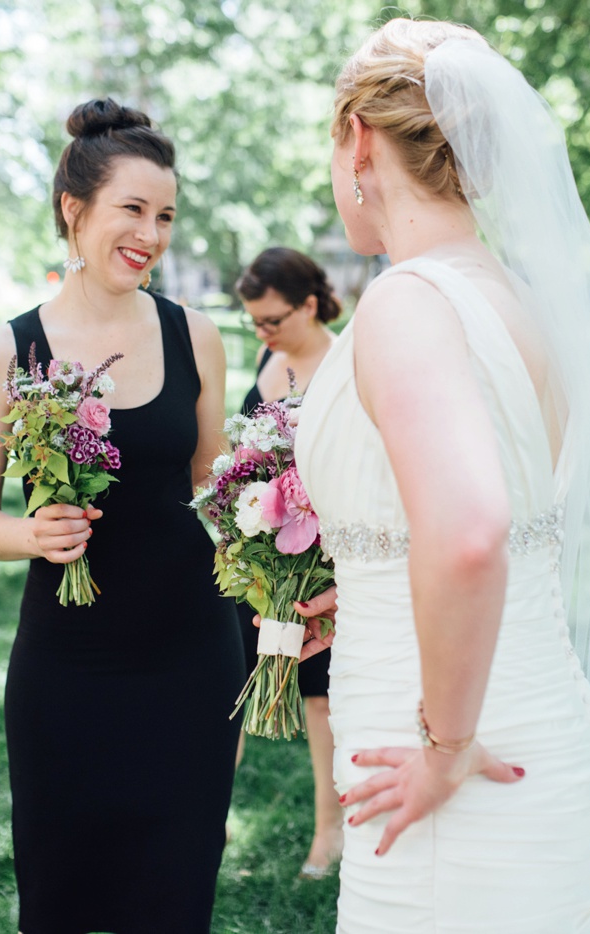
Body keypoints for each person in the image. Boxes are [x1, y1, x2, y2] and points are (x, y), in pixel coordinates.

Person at [288, 20, 590, 932]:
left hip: (450, 770)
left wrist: (446, 747)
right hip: (539, 719)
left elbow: (468, 534)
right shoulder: (518, 301)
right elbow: (487, 517)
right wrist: (375, 579)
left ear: (360, 143)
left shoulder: (406, 303)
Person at [0, 99, 243, 933]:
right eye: (133, 210)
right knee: (61, 897)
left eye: (166, 215)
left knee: (178, 894)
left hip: (193, 660)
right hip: (68, 670)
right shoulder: (7, 351)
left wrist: (279, 560)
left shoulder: (198, 336)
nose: (151, 232)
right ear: (75, 211)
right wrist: (30, 535)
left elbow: (214, 491)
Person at [232, 247, 344, 878]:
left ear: (308, 304)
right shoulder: (267, 358)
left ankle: (329, 834)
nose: (262, 333)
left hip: (318, 564)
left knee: (320, 701)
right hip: (260, 559)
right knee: (236, 682)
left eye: (272, 320)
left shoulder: (345, 363)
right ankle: (205, 816)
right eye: (254, 322)